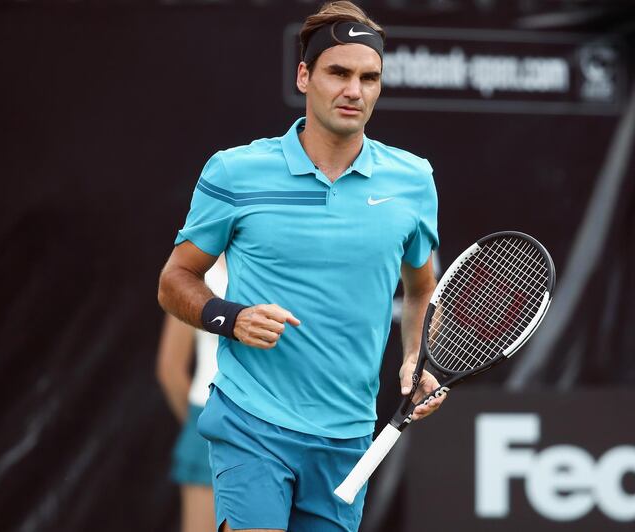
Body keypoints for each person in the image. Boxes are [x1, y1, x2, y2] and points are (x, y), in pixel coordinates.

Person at [157, 2, 444, 531]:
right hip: (251, 422)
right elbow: (174, 280)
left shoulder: (412, 181)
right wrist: (231, 317)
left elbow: (423, 288)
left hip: (348, 437)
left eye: (369, 77)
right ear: (305, 76)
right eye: (338, 72)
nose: (354, 90)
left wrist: (413, 356)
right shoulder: (235, 172)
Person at [156, 256, 227, 532]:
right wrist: (206, 431)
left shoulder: (287, 263)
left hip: (275, 431)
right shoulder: (195, 272)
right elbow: (170, 368)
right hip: (210, 423)